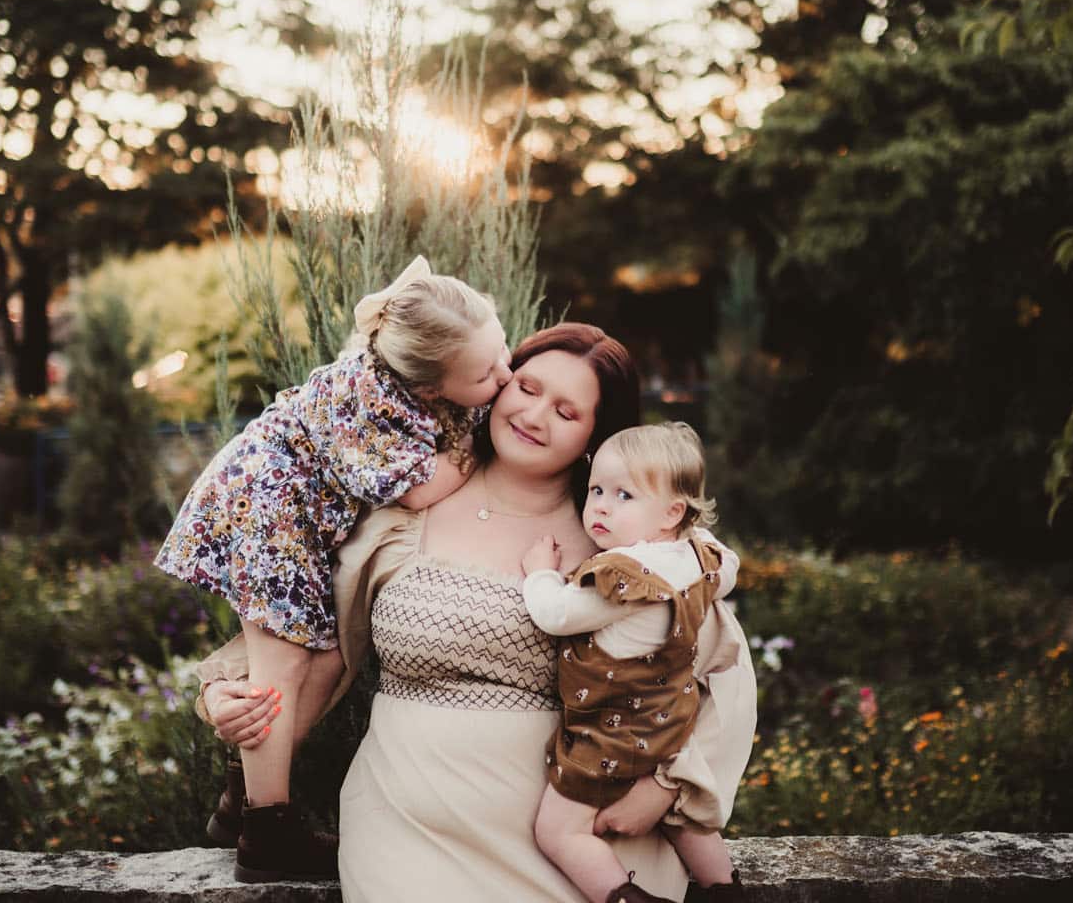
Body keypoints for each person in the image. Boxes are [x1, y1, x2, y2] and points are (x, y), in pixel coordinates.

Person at [195, 323, 757, 901]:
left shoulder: (628, 542)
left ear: (596, 434)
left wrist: (665, 788)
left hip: (581, 840)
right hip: (409, 831)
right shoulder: (403, 511)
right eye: (529, 388)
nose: (535, 416)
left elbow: (723, 672)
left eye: (566, 412)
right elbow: (297, 622)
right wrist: (225, 695)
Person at [154, 255, 512, 882]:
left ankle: (239, 798)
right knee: (282, 668)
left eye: (503, 351)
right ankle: (267, 835)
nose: (505, 376)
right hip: (265, 508)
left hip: (294, 517)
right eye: (487, 374)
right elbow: (416, 488)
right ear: (430, 387)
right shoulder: (363, 393)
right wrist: (479, 447)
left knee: (327, 661)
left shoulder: (418, 381)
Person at [520, 422, 744, 903]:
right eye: (596, 489)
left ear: (671, 512)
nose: (600, 505)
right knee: (680, 816)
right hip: (669, 723)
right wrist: (692, 539)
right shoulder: (700, 558)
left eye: (624, 495)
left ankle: (623, 897)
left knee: (558, 832)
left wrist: (540, 572)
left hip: (611, 732)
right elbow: (729, 570)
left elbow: (556, 614)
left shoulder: (623, 579)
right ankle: (725, 889)